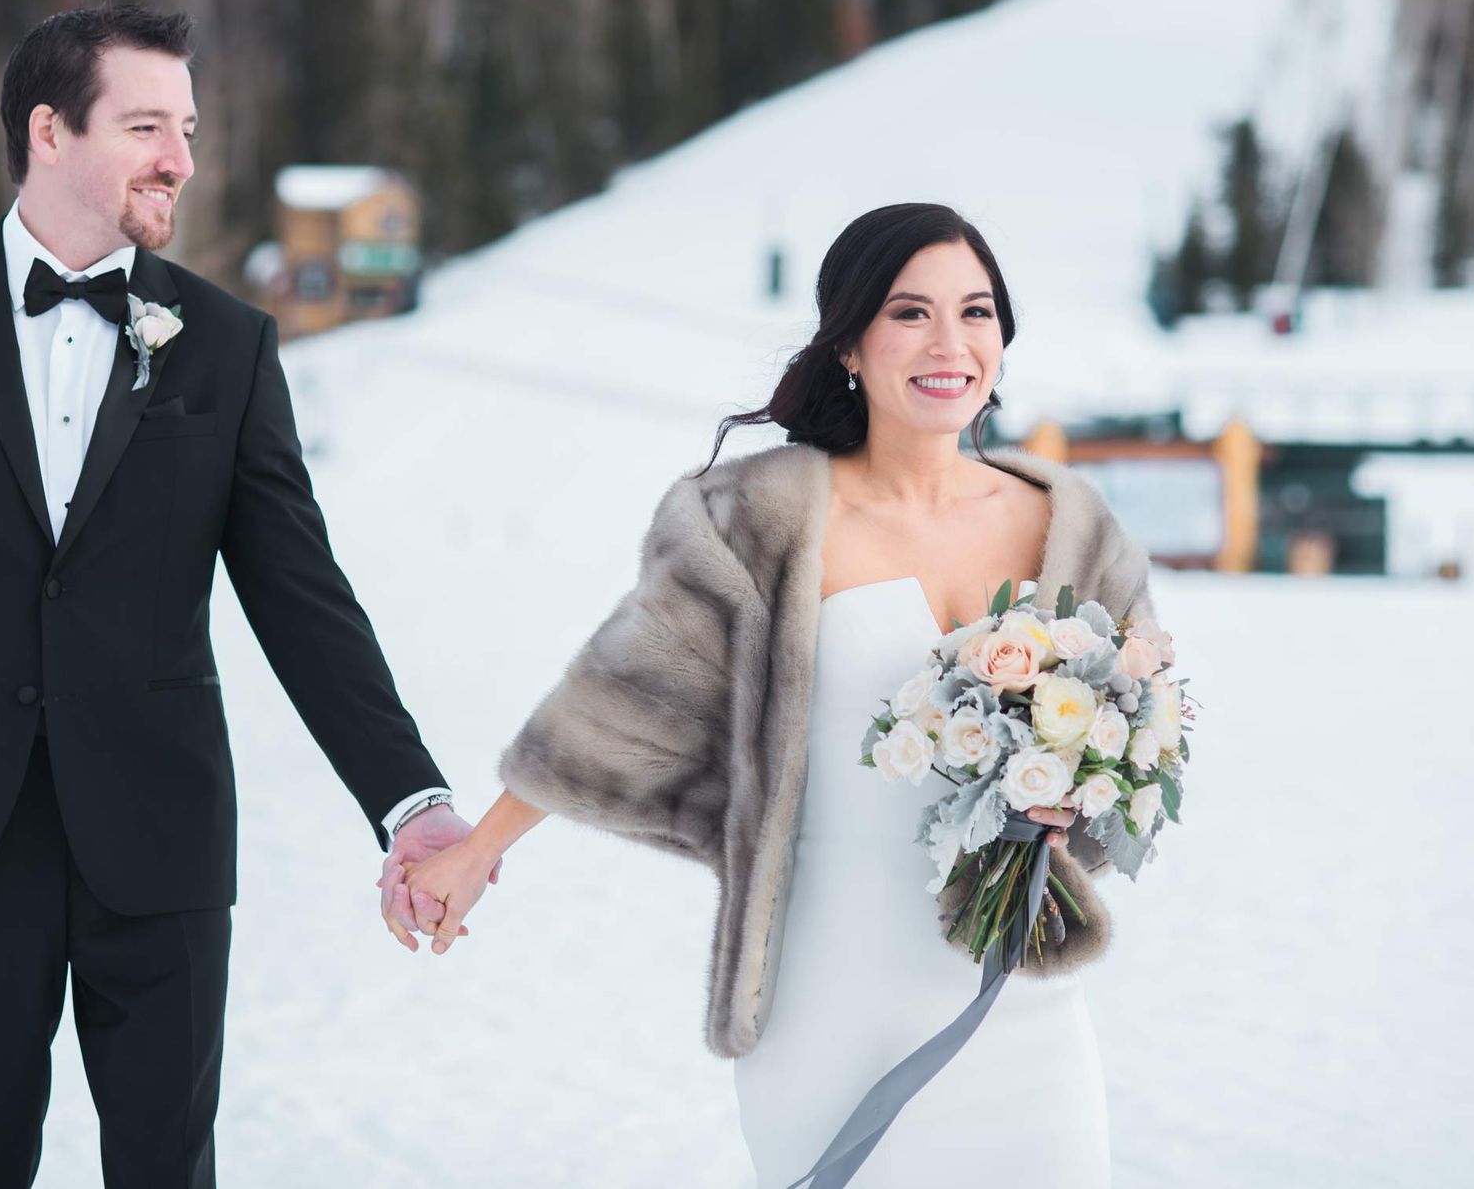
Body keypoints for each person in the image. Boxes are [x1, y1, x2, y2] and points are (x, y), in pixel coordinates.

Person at [0, 3, 479, 1189]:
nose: (181, 160)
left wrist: (410, 802)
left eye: (186, 128)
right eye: (148, 125)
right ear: (49, 130)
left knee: (164, 1167)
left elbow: (302, 597)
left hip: (159, 838)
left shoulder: (228, 345)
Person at [399, 203, 1160, 1185]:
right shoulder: (755, 517)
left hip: (1013, 999)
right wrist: (472, 852)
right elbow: (620, 702)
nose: (948, 344)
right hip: (823, 1001)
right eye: (907, 313)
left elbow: (1138, 742)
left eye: (975, 313)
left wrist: (1076, 801)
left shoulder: (1073, 525)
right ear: (847, 341)